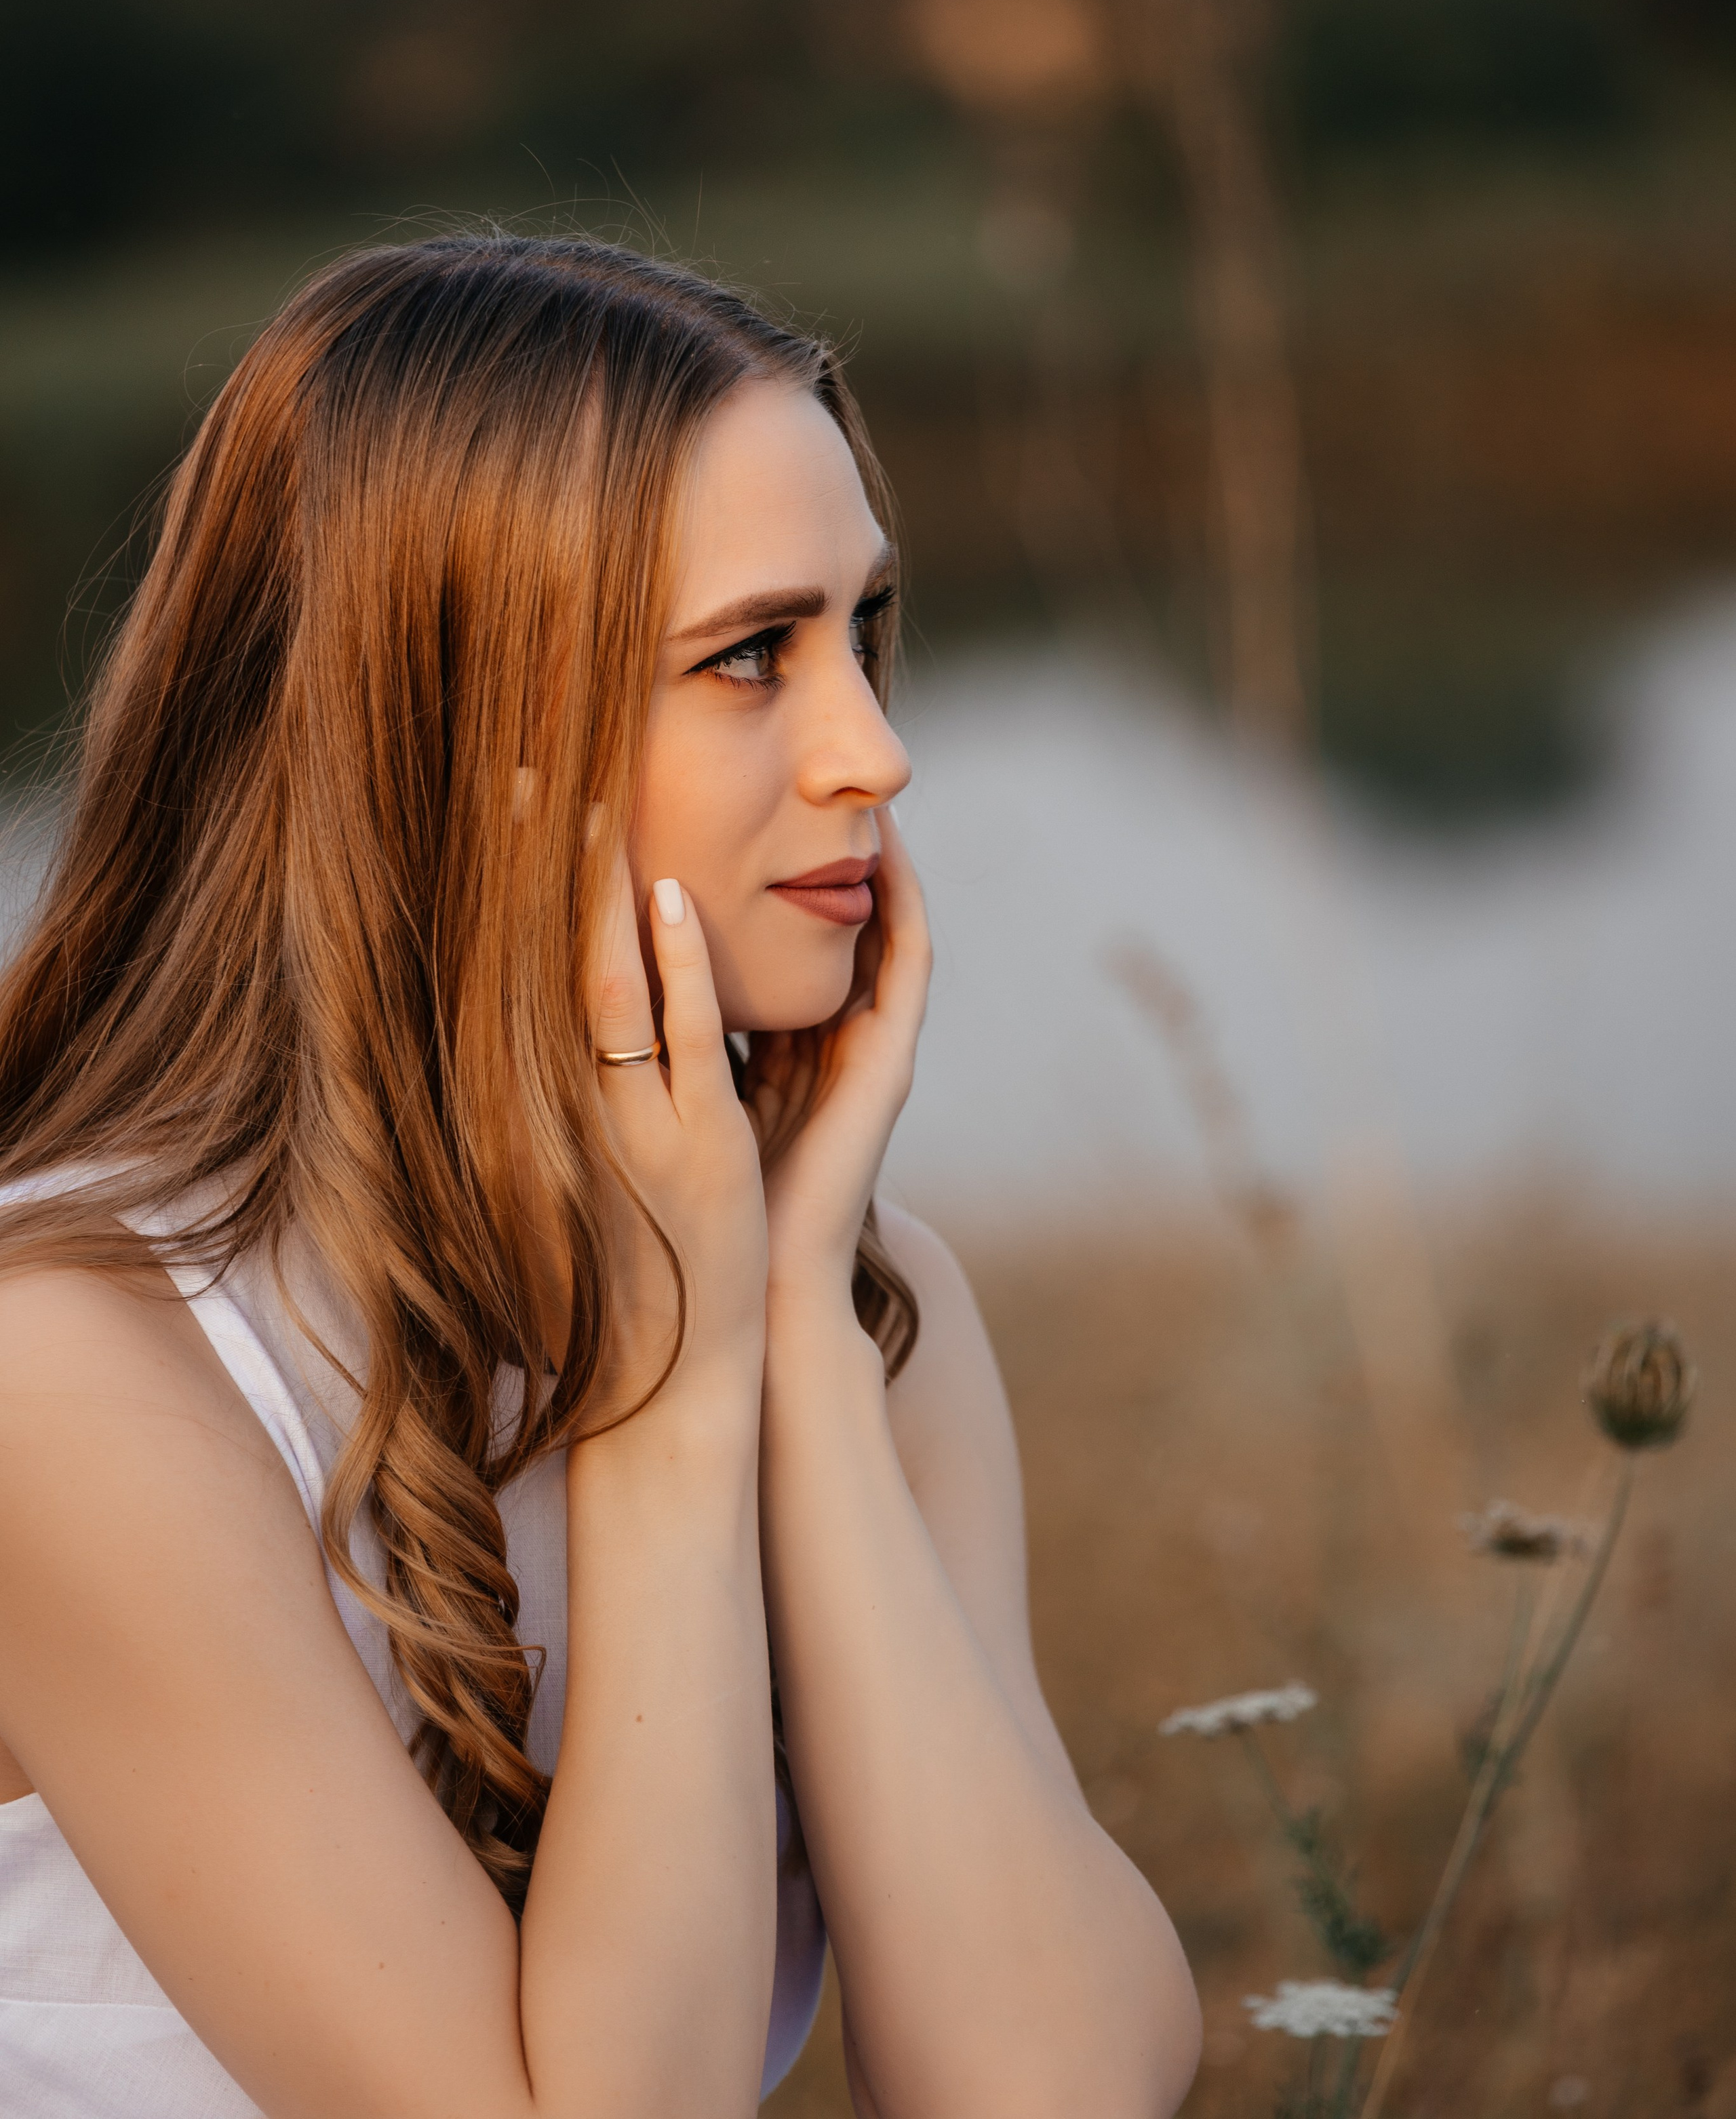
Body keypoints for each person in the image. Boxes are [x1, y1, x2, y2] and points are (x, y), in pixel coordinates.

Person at [0, 235, 1200, 2118]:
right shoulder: (80, 1370)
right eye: (750, 658)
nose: (873, 753)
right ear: (460, 737)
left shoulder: (865, 1304)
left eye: (864, 632)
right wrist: (671, 1387)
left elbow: (1049, 2091)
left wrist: (786, 1327)